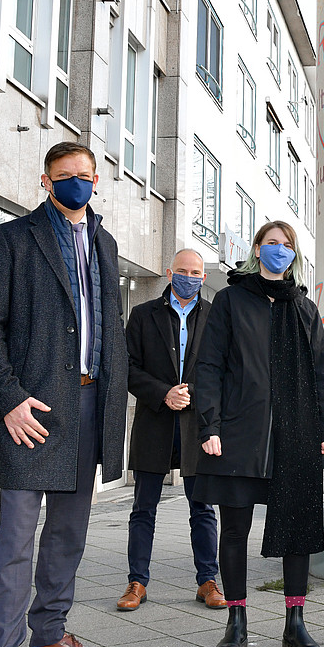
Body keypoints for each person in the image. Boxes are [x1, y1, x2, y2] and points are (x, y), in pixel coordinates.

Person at [0, 142, 128, 647]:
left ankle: (49, 634)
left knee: (69, 533)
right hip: (31, 409)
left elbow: (109, 327)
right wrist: (8, 399)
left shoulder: (105, 243)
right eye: (66, 176)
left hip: (88, 404)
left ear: (96, 180)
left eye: (85, 175)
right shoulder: (12, 239)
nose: (77, 183)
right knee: (16, 539)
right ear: (46, 181)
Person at [193, 220, 324, 647]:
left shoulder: (304, 308)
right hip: (239, 432)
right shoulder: (231, 299)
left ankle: (295, 622)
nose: (280, 250)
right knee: (234, 528)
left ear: (294, 254)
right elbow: (209, 366)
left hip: (296, 434)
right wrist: (210, 425)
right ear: (257, 249)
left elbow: (322, 369)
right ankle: (236, 622)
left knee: (297, 528)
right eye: (272, 243)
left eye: (287, 244)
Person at [117, 249, 225, 612]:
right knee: (143, 508)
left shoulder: (215, 317)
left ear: (203, 277)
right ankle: (137, 582)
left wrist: (189, 393)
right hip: (154, 421)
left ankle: (208, 581)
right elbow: (127, 368)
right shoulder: (142, 315)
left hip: (198, 426)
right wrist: (164, 393)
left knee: (203, 508)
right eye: (183, 270)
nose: (189, 277)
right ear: (168, 272)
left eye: (196, 272)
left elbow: (224, 370)